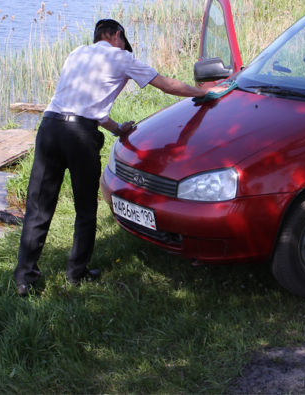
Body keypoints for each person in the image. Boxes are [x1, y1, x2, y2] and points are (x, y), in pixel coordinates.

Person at [13, 18, 206, 295]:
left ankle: (24, 279)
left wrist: (117, 129)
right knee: (84, 208)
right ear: (117, 35)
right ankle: (76, 273)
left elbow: (87, 104)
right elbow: (166, 85)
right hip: (79, 136)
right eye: (124, 41)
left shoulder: (76, 53)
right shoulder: (122, 57)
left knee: (38, 207)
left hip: (49, 128)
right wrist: (203, 93)